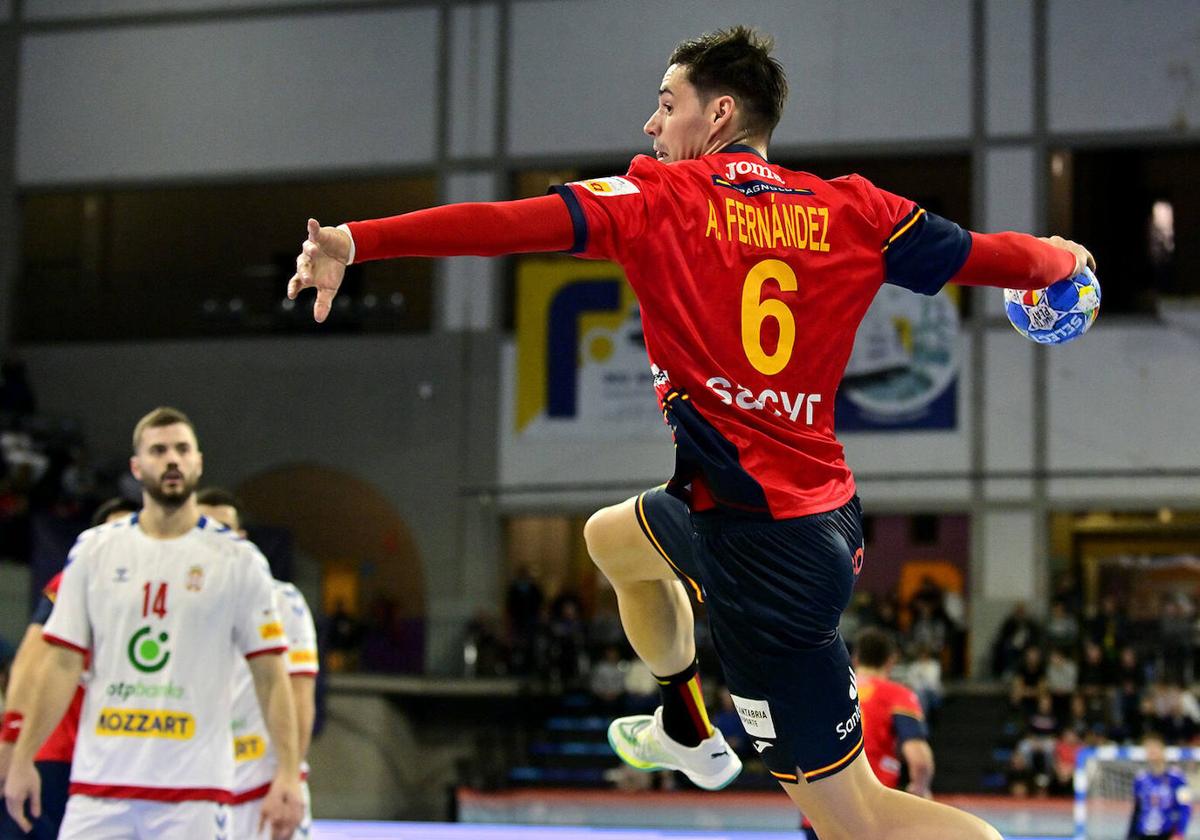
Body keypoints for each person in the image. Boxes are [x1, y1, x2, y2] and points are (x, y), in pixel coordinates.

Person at [289, 26, 1093, 839]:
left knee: (863, 824)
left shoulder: (659, 201)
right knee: (612, 541)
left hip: (763, 559)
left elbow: (504, 223)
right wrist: (1058, 264)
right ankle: (685, 725)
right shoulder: (854, 207)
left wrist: (357, 242)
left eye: (666, 105)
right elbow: (988, 257)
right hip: (789, 513)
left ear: (719, 116)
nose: (651, 125)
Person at [2, 408, 303, 839]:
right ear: (136, 466)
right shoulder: (94, 551)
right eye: (158, 450)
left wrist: (288, 774)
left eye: (182, 449)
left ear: (198, 461)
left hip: (193, 796)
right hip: (99, 789)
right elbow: (60, 664)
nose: (172, 459)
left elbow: (272, 677)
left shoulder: (238, 561)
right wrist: (23, 754)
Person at [0, 497, 137, 840]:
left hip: (128, 761)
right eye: (110, 533)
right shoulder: (77, 581)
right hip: (61, 754)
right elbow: (31, 660)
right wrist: (11, 735)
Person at [196, 487, 320, 840]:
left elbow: (300, 696)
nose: (214, 540)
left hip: (264, 784)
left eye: (224, 530)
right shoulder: (177, 605)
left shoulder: (282, 601)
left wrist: (289, 775)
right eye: (203, 529)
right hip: (195, 789)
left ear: (241, 538)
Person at [801, 628, 935, 838]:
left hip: (820, 810)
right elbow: (919, 760)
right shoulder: (898, 695)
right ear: (891, 660)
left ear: (855, 658)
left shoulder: (825, 691)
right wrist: (920, 790)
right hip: (871, 811)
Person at [1128, 732, 1191, 840]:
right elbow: (1136, 811)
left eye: (1154, 748)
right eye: (1148, 749)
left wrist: (1179, 833)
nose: (1152, 752)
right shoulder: (1140, 779)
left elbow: (1185, 808)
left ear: (1162, 751)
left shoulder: (1177, 778)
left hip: (1167, 833)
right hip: (1143, 834)